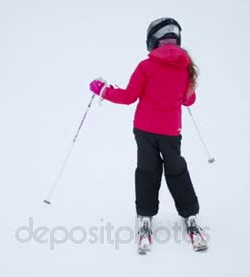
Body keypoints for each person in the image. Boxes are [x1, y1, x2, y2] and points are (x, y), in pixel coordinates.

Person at [88, 17, 207, 252]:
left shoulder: (146, 66)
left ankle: (145, 216)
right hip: (171, 132)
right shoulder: (186, 66)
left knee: (147, 170)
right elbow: (189, 99)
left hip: (144, 130)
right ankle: (190, 215)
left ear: (152, 41)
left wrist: (102, 90)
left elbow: (128, 97)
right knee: (176, 169)